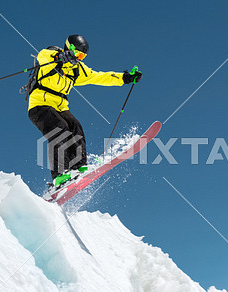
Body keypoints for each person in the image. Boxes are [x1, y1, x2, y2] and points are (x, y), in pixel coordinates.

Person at [28, 34, 142, 189]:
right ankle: (60, 176)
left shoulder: (77, 69)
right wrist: (60, 57)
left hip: (60, 106)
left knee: (75, 127)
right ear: (70, 48)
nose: (80, 59)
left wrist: (124, 78)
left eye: (83, 56)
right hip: (39, 104)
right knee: (59, 128)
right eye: (78, 54)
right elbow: (42, 55)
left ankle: (78, 168)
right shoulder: (52, 57)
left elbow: (99, 77)